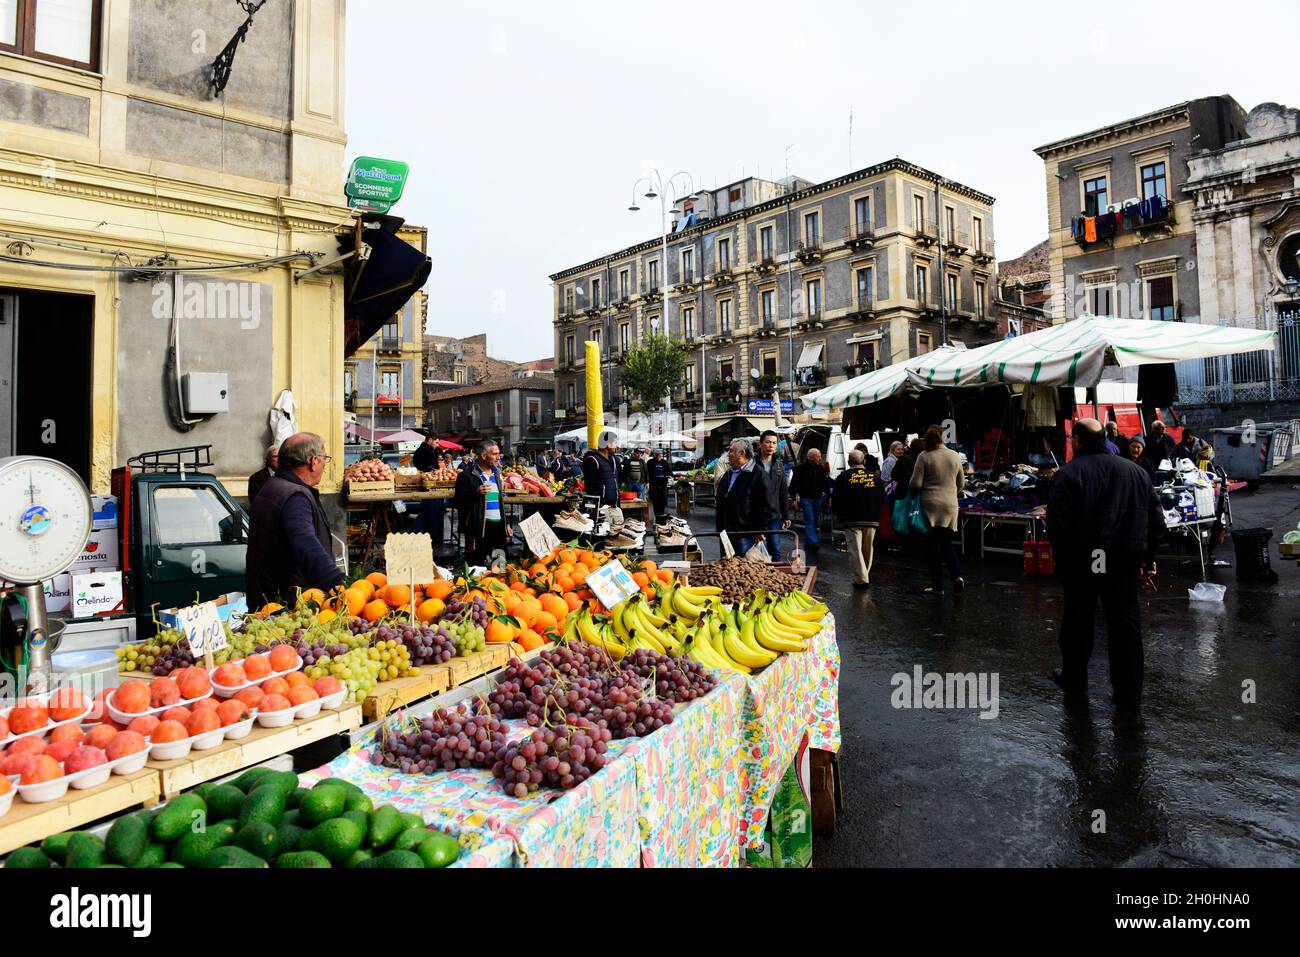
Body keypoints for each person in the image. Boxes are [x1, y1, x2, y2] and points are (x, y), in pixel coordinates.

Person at [1047, 418, 1164, 711]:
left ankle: (1074, 678)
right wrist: (1148, 560)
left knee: (1078, 622)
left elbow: (1057, 529)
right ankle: (1128, 692)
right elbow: (1156, 523)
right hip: (1123, 562)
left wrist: (1063, 564)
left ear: (1077, 441)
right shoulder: (1136, 473)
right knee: (1125, 626)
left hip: (1083, 564)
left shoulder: (1068, 475)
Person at [246, 433, 344, 606]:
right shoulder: (294, 496)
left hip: (265, 597)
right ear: (314, 462)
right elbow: (307, 546)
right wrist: (338, 583)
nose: (324, 466)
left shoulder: (272, 485)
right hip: (287, 602)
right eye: (324, 459)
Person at [910, 425, 965, 594]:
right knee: (947, 543)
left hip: (930, 506)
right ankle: (957, 576)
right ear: (943, 438)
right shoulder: (954, 456)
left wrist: (913, 492)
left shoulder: (924, 456)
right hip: (950, 505)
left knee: (933, 547)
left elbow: (916, 483)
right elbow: (961, 484)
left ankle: (937, 586)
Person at [454, 440, 514, 566]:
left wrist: (506, 524)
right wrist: (475, 493)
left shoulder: (497, 474)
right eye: (495, 454)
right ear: (483, 456)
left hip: (498, 527)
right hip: (479, 528)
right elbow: (458, 502)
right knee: (478, 566)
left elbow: (499, 503)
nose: (499, 457)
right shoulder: (466, 476)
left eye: (499, 453)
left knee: (500, 566)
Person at [831, 450, 884, 587]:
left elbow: (836, 500)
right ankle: (864, 574)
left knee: (855, 549)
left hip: (851, 520)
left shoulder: (843, 477)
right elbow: (883, 499)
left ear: (849, 462)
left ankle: (862, 578)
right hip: (871, 519)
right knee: (867, 548)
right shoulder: (875, 478)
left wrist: (839, 515)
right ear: (864, 462)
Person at [716, 438, 764, 555]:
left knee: (742, 566)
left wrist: (760, 529)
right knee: (726, 565)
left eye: (731, 451)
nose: (728, 455)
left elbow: (765, 504)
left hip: (744, 533)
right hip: (725, 531)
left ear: (741, 453)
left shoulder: (758, 474)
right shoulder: (728, 474)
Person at [752, 430, 791, 561]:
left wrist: (786, 516)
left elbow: (783, 492)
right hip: (756, 514)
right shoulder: (752, 465)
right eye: (768, 442)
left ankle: (777, 576)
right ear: (761, 444)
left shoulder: (779, 466)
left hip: (774, 514)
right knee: (755, 551)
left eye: (774, 443)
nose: (771, 445)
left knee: (775, 547)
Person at [790, 448, 830, 555]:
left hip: (818, 498)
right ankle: (814, 541)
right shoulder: (800, 469)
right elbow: (793, 485)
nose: (820, 458)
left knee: (815, 520)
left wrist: (829, 497)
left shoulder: (820, 468)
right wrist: (793, 499)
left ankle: (808, 543)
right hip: (806, 498)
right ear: (811, 457)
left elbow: (825, 484)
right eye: (818, 456)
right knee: (810, 519)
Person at [410, 433, 445, 545]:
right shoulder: (429, 451)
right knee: (432, 512)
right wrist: (437, 470)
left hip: (424, 484)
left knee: (425, 510)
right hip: (432, 486)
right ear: (430, 440)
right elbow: (433, 468)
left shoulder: (419, 450)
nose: (437, 445)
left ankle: (416, 534)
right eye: (436, 442)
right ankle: (434, 538)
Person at [582, 434, 621, 507]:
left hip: (614, 505)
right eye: (615, 443)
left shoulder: (613, 460)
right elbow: (590, 488)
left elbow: (617, 481)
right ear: (608, 444)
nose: (617, 446)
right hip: (601, 507)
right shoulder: (592, 460)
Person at [647, 449, 672, 521]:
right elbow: (647, 472)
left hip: (662, 483)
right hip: (654, 483)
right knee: (655, 498)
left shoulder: (664, 462)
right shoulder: (650, 462)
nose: (659, 457)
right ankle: (656, 513)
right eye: (658, 456)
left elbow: (669, 471)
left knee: (662, 498)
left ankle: (661, 513)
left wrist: (670, 475)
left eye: (660, 456)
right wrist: (648, 482)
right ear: (655, 456)